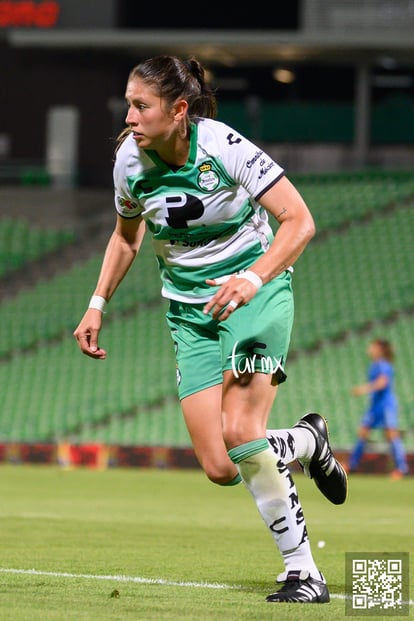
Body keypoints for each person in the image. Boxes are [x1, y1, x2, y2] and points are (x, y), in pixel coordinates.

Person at [73, 55, 347, 604]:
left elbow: (301, 221)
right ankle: (308, 439)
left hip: (256, 292)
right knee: (221, 465)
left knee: (242, 432)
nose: (128, 115)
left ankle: (303, 571)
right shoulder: (128, 161)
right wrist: (97, 302)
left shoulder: (223, 146)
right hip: (188, 312)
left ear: (178, 111)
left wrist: (253, 277)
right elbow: (127, 239)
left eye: (140, 105)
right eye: (128, 102)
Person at [347, 338, 409, 479]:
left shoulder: (384, 365)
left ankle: (402, 468)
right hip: (375, 406)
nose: (369, 349)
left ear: (379, 349)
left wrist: (363, 389)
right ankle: (352, 465)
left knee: (391, 434)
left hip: (386, 405)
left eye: (372, 347)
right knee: (362, 432)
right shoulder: (373, 365)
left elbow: (383, 383)